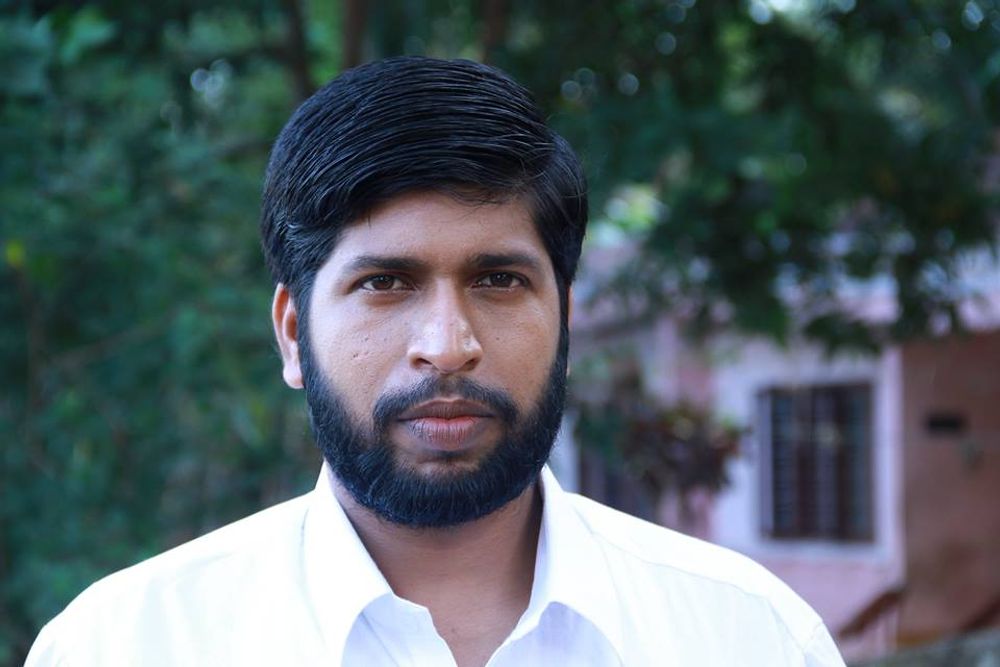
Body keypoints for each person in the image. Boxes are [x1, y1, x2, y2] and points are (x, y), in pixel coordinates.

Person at [26, 56, 845, 666]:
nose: (448, 344)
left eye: (499, 280)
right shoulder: (124, 644)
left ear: (564, 316)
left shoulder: (749, 636)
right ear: (292, 334)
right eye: (385, 283)